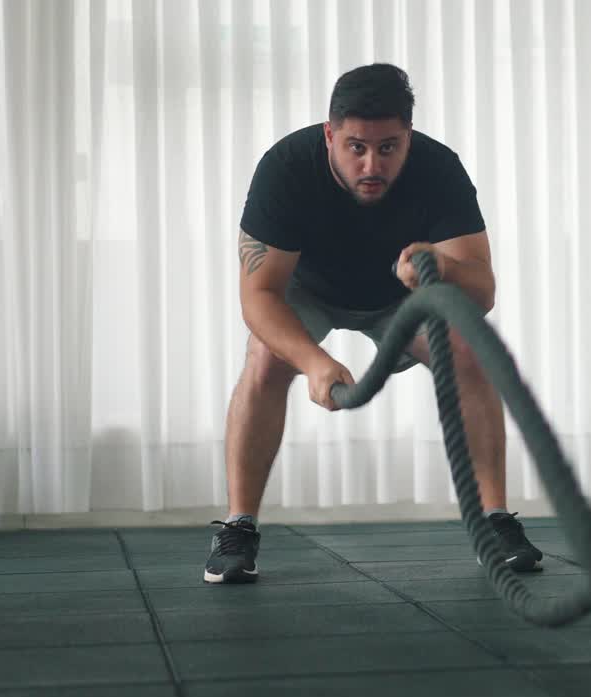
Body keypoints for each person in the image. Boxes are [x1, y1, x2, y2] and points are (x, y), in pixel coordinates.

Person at [203, 63, 542, 584]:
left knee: (468, 348)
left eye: (389, 147)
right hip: (305, 291)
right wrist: (314, 362)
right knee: (266, 355)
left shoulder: (438, 169)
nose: (371, 164)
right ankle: (237, 527)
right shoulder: (287, 168)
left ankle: (493, 521)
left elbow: (483, 292)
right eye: (355, 146)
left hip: (398, 300)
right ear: (329, 135)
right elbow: (258, 295)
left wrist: (442, 264)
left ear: (408, 136)